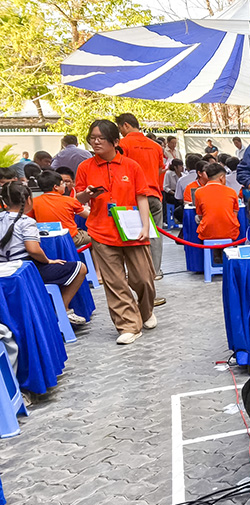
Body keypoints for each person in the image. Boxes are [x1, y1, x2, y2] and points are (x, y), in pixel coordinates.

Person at [75, 119, 158, 345]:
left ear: (114, 140)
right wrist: (87, 195)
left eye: (101, 138)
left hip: (131, 229)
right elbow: (78, 199)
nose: (96, 142)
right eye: (92, 138)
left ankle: (146, 311)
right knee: (115, 282)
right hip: (101, 231)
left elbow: (142, 197)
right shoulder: (85, 167)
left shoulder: (131, 166)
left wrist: (144, 226)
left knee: (143, 278)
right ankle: (128, 325)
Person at [0, 183, 89, 326]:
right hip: (26, 269)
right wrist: (47, 260)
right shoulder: (26, 222)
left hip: (4, 269)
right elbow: (33, 249)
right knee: (80, 268)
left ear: (4, 201)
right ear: (28, 199)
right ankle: (62, 309)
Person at [116, 113, 167, 285]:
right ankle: (156, 270)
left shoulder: (123, 144)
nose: (120, 132)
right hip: (154, 194)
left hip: (132, 197)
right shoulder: (155, 146)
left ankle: (138, 272)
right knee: (156, 235)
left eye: (120, 129)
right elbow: (161, 169)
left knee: (133, 234)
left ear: (125, 125)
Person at [31, 170, 89, 248]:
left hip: (46, 240)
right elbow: (88, 216)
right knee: (95, 239)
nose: (64, 185)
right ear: (56, 187)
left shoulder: (33, 202)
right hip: (70, 238)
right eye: (62, 183)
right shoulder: (70, 200)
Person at [194, 163, 240, 246]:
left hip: (207, 233)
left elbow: (200, 215)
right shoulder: (231, 192)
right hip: (230, 232)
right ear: (222, 178)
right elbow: (235, 214)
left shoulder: (198, 192)